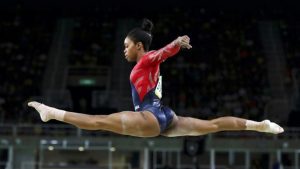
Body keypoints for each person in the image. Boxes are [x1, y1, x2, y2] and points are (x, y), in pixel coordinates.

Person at [28, 18, 284, 137]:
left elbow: (160, 54)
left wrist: (176, 43)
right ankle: (260, 125)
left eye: (127, 46)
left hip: (149, 117)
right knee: (213, 125)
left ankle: (51, 113)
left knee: (98, 121)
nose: (124, 50)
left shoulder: (145, 60)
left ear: (139, 46)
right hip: (166, 115)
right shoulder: (147, 65)